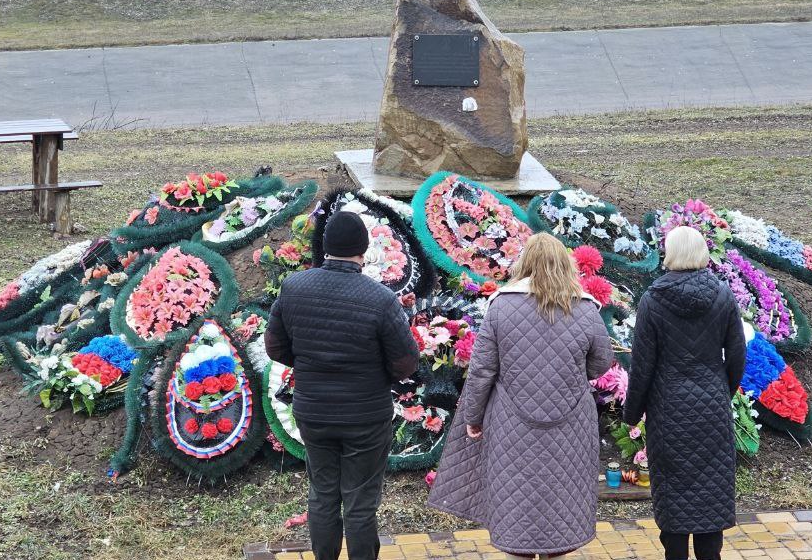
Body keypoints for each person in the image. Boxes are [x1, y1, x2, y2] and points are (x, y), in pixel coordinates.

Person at [429, 232, 613, 559]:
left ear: (524, 262)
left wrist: (473, 418)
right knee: (562, 505)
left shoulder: (502, 305)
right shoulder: (585, 309)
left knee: (516, 502)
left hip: (511, 425)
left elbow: (483, 370)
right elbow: (600, 364)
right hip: (571, 427)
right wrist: (569, 376)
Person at [265, 210, 420, 560]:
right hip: (365, 415)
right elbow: (406, 361)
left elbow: (274, 347)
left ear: (325, 246)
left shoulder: (294, 288)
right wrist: (374, 373)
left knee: (322, 494)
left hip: (314, 411)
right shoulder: (379, 298)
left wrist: (310, 362)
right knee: (361, 501)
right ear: (363, 249)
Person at [622, 225, 747, 560]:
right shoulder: (722, 295)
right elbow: (737, 355)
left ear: (670, 253)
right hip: (711, 408)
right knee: (711, 497)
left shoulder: (653, 299)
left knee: (673, 498)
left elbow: (643, 365)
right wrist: (723, 390)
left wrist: (631, 414)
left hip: (668, 410)